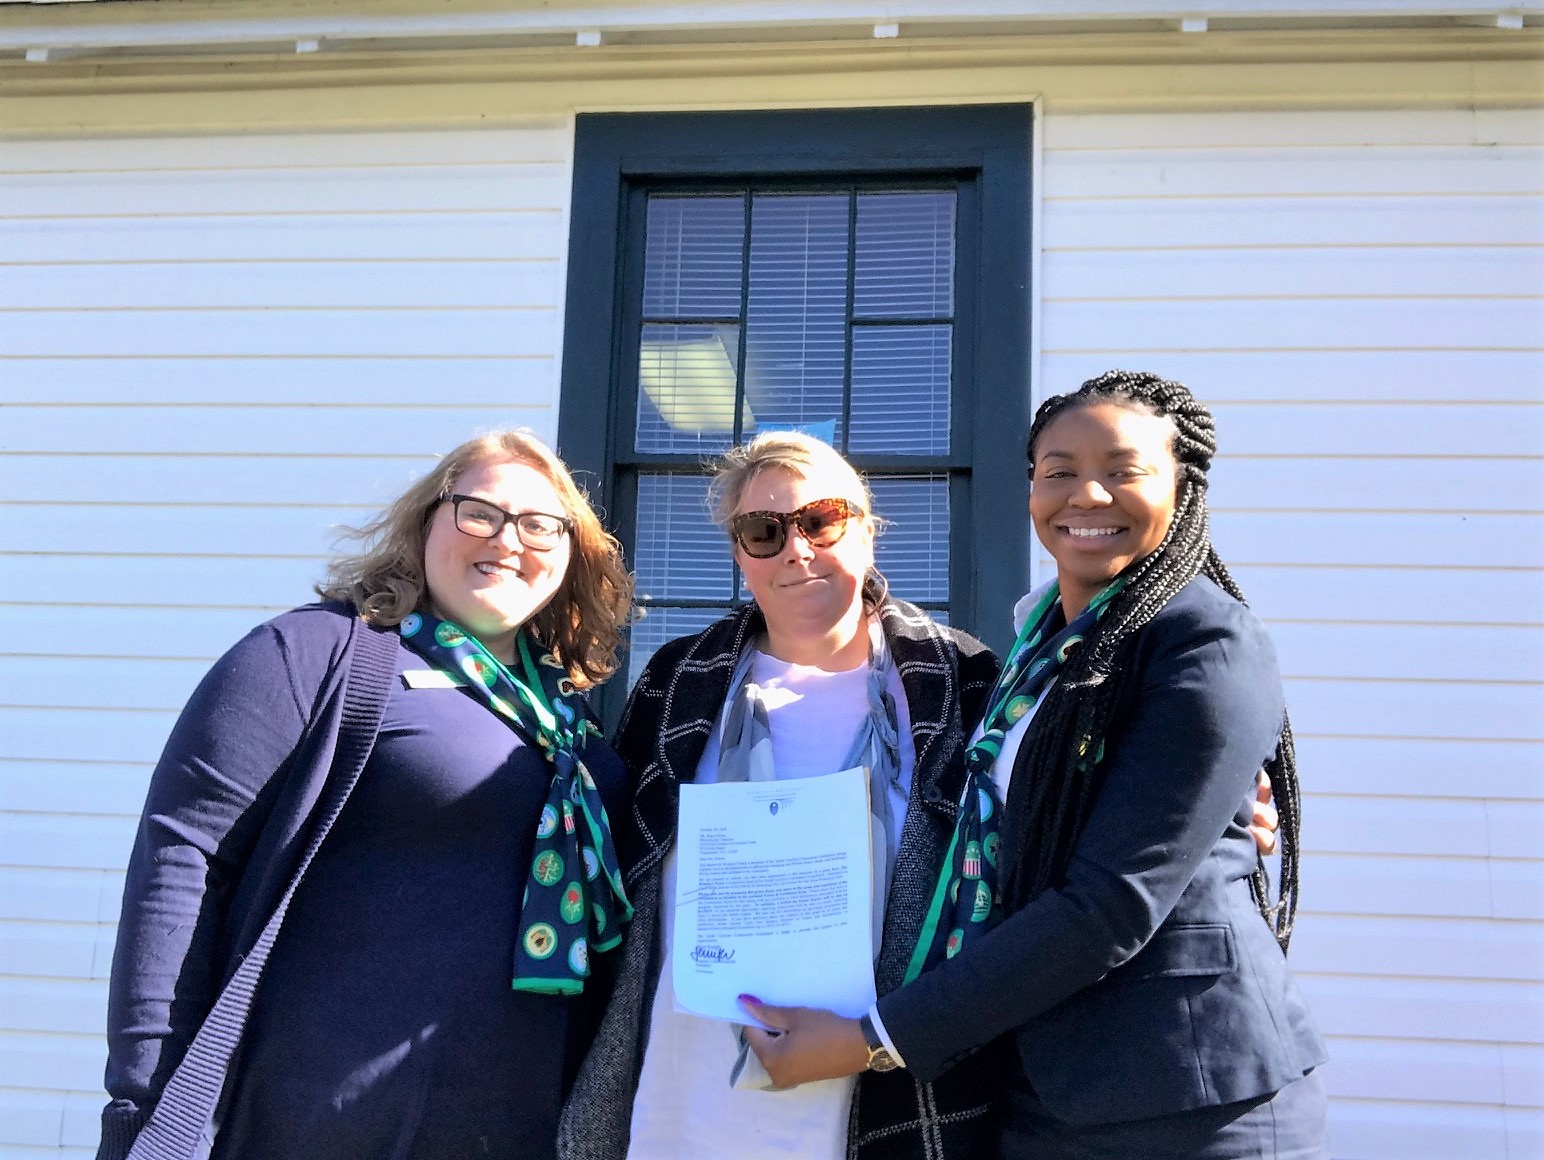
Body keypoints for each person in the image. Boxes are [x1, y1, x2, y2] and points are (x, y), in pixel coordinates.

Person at [558, 428, 1284, 1160]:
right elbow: (607, 843)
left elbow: (1069, 804)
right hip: (692, 1072)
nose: (797, 550)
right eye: (763, 531)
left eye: (822, 521)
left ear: (868, 531)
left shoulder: (967, 679)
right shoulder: (679, 680)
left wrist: (1224, 807)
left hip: (885, 1074)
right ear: (739, 553)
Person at [741, 371, 1329, 1159]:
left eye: (1123, 470)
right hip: (1037, 1090)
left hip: (1186, 1099)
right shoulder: (1034, 652)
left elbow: (1108, 907)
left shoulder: (1205, 644)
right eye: (1058, 471)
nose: (1087, 493)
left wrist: (870, 1038)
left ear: (1181, 487)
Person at [97, 430, 634, 1160]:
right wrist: (146, 1110)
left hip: (519, 1129)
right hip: (324, 1122)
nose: (509, 540)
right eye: (479, 512)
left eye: (541, 525)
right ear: (424, 523)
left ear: (573, 554)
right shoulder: (318, 655)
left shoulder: (572, 728)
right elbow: (182, 867)